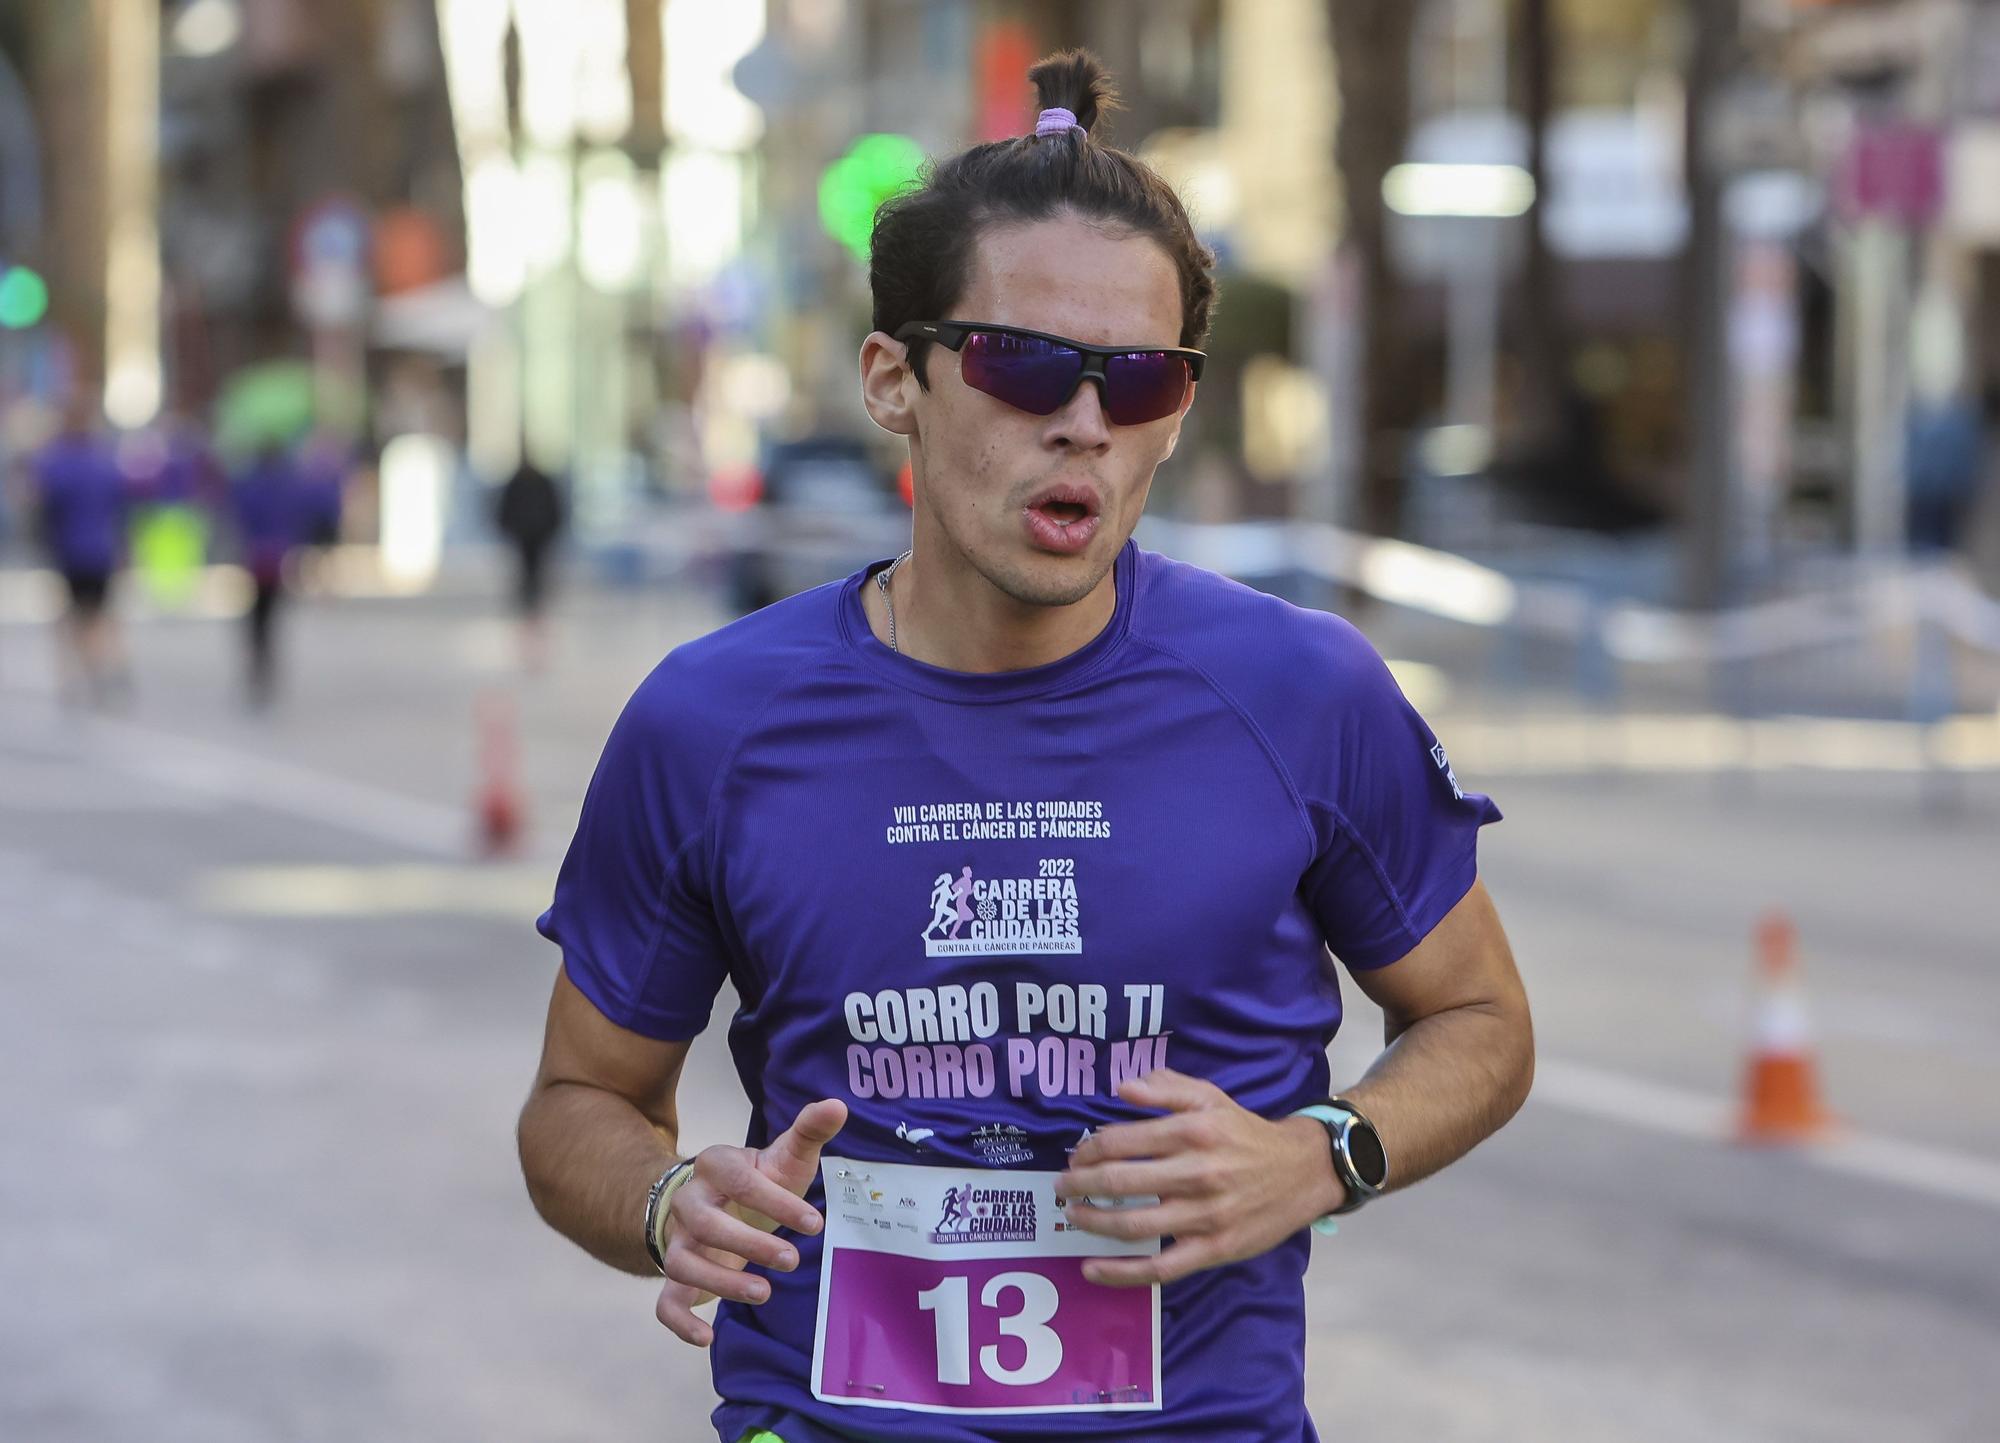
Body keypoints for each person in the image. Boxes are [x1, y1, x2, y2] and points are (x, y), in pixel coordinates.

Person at [519, 52, 1532, 1443]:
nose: (1082, 422)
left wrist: (1324, 1152)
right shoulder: (714, 720)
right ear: (894, 378)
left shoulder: (1303, 693)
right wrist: (661, 1200)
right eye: (1022, 362)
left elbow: (1482, 1018)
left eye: (1141, 380)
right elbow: (581, 1098)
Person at [31, 399, 133, 706]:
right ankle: (105, 666)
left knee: (77, 615)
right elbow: (121, 507)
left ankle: (84, 671)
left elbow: (43, 507)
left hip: (70, 551)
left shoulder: (54, 463)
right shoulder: (104, 461)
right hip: (102, 549)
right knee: (99, 612)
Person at [229, 442, 308, 706]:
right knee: (270, 619)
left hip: (258, 558)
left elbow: (241, 516)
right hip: (279, 559)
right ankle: (266, 666)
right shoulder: (288, 489)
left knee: (257, 621)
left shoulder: (253, 487)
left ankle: (258, 667)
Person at [493, 452, 565, 669]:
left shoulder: (539, 482)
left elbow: (554, 508)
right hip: (525, 534)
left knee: (536, 571)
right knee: (527, 571)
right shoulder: (518, 482)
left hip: (538, 534)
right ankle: (529, 606)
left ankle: (534, 606)